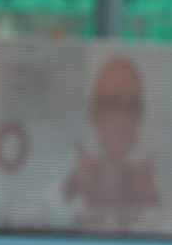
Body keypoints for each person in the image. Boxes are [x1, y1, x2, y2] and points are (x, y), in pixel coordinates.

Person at [64, 55, 160, 232]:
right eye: (111, 104)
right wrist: (71, 189)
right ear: (94, 112)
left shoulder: (154, 182)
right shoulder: (61, 173)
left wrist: (149, 200)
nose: (121, 120)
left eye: (130, 107)